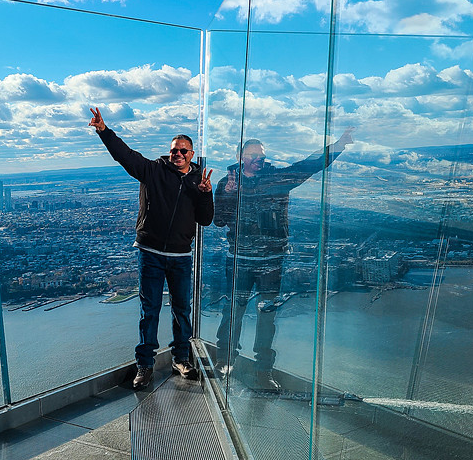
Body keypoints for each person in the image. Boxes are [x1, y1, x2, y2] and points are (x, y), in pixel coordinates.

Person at [213, 131, 353, 390]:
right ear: (240, 157)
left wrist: (339, 145)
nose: (259, 160)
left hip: (272, 261)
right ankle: (225, 362)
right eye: (254, 156)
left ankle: (263, 371)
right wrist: (228, 194)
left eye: (262, 157)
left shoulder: (277, 178)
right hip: (239, 260)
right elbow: (218, 220)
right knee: (233, 313)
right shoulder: (227, 182)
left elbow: (308, 166)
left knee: (267, 318)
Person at [89, 107, 213, 389]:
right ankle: (144, 365)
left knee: (182, 310)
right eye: (174, 150)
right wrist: (104, 131)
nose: (178, 154)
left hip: (181, 256)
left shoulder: (200, 181)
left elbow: (205, 220)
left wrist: (206, 195)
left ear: (191, 155)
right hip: (151, 253)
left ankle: (181, 359)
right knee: (150, 310)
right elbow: (125, 155)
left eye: (183, 150)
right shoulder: (153, 171)